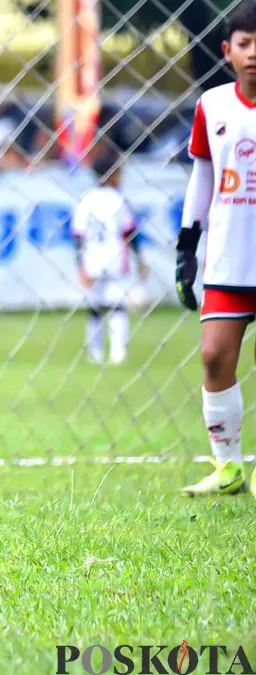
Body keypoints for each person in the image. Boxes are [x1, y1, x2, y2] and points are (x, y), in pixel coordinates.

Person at [177, 2, 256, 497]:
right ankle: (227, 468)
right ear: (228, 51)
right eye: (245, 44)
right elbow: (202, 176)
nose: (254, 54)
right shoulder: (213, 105)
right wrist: (187, 246)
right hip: (229, 258)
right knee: (213, 357)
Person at [71, 148, 144, 366]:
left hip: (92, 259)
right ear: (111, 174)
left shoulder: (85, 200)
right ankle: (117, 353)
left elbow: (78, 237)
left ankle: (95, 354)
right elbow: (130, 233)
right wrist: (140, 259)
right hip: (115, 258)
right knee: (117, 306)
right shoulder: (118, 200)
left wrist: (80, 266)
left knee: (94, 309)